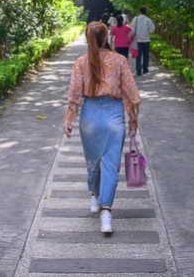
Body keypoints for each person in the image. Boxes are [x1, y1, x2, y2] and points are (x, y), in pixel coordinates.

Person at [64, 21, 141, 235]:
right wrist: (133, 120)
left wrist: (69, 119)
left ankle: (94, 196)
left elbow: (74, 95)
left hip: (88, 114)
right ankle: (106, 212)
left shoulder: (81, 62)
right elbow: (131, 94)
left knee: (93, 160)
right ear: (107, 37)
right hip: (113, 113)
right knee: (110, 162)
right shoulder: (119, 60)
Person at [129, 7, 156, 76]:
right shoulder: (148, 20)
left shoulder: (136, 19)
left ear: (139, 12)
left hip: (137, 40)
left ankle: (138, 70)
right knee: (146, 55)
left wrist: (131, 37)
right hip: (146, 40)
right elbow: (152, 30)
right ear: (145, 12)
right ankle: (145, 69)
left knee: (138, 55)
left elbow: (132, 29)